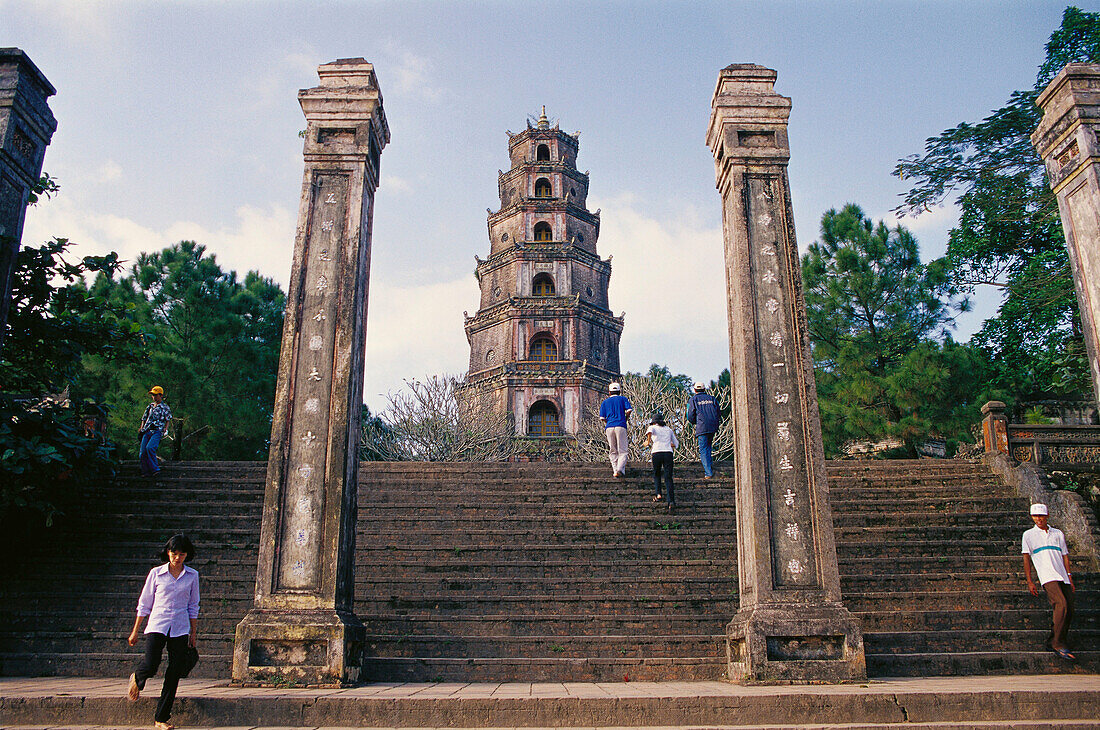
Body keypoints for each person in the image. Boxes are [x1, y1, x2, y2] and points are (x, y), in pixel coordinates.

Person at [127, 534, 200, 730]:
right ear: (168, 553)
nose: (177, 558)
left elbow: (193, 606)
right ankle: (137, 677)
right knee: (151, 664)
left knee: (174, 671)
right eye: (174, 553)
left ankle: (161, 717)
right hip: (158, 624)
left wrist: (193, 633)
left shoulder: (192, 576)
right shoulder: (156, 574)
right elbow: (144, 604)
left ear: (187, 555)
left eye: (181, 554)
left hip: (180, 627)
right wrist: (135, 631)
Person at [1022, 503, 1075, 660]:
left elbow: (1065, 556)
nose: (1038, 519)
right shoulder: (1028, 535)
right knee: (1061, 604)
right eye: (1035, 516)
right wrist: (1030, 581)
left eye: (1041, 516)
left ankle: (1054, 639)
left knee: (1070, 609)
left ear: (1047, 516)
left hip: (1062, 575)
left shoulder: (1057, 533)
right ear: (1032, 517)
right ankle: (1057, 644)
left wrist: (1069, 577)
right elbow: (1026, 558)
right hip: (1047, 575)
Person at [643, 412, 678, 509]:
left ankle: (658, 494)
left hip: (657, 451)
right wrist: (667, 443)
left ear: (654, 422)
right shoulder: (669, 430)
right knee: (668, 477)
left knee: (657, 473)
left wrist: (648, 441)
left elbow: (649, 430)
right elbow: (676, 443)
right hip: (668, 452)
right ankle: (671, 500)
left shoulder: (653, 427)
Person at [598, 381, 632, 477]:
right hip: (620, 425)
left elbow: (602, 418)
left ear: (609, 392)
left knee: (613, 450)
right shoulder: (623, 399)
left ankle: (615, 470)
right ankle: (620, 469)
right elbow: (629, 410)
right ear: (619, 391)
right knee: (623, 450)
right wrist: (625, 419)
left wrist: (608, 423)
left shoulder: (605, 402)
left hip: (609, 427)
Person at [685, 382, 719, 478]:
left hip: (702, 427)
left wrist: (695, 422)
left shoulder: (693, 399)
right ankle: (709, 466)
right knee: (708, 447)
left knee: (703, 449)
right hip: (713, 426)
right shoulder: (712, 398)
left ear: (695, 390)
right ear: (704, 389)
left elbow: (690, 415)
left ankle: (708, 473)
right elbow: (718, 412)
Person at [139, 386, 173, 478]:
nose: (153, 397)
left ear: (160, 395)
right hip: (147, 430)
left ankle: (155, 469)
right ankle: (145, 471)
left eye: (155, 395)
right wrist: (141, 428)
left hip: (157, 430)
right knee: (142, 452)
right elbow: (144, 418)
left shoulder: (165, 407)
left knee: (150, 448)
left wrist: (165, 429)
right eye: (152, 395)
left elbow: (168, 419)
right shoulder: (150, 406)